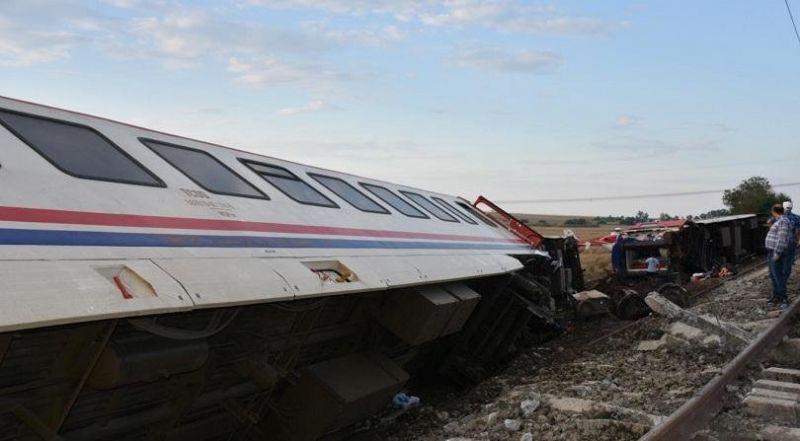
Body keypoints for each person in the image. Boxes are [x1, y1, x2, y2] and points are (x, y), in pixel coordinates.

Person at [765, 204, 791, 308]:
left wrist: (778, 253)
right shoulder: (779, 220)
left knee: (778, 276)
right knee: (773, 275)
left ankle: (783, 298)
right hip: (771, 252)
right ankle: (776, 296)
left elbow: (782, 238)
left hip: (776, 252)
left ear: (774, 211)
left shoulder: (783, 221)